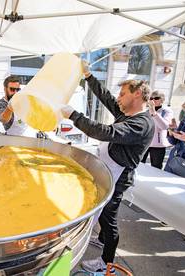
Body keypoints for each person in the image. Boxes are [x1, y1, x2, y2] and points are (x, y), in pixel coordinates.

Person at [61, 62, 154, 273]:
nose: (118, 98)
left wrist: (74, 116)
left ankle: (106, 263)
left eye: (122, 94)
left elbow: (106, 132)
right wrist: (88, 76)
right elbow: (107, 99)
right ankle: (102, 240)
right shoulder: (128, 114)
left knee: (108, 219)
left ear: (137, 94)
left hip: (119, 176)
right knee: (103, 213)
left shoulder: (141, 124)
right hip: (109, 170)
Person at [141, 91, 174, 169]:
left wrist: (154, 113)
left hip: (158, 145)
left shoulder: (167, 111)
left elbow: (164, 126)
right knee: (139, 164)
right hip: (145, 143)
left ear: (162, 100)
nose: (153, 100)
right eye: (151, 98)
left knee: (156, 167)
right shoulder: (146, 111)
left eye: (156, 98)